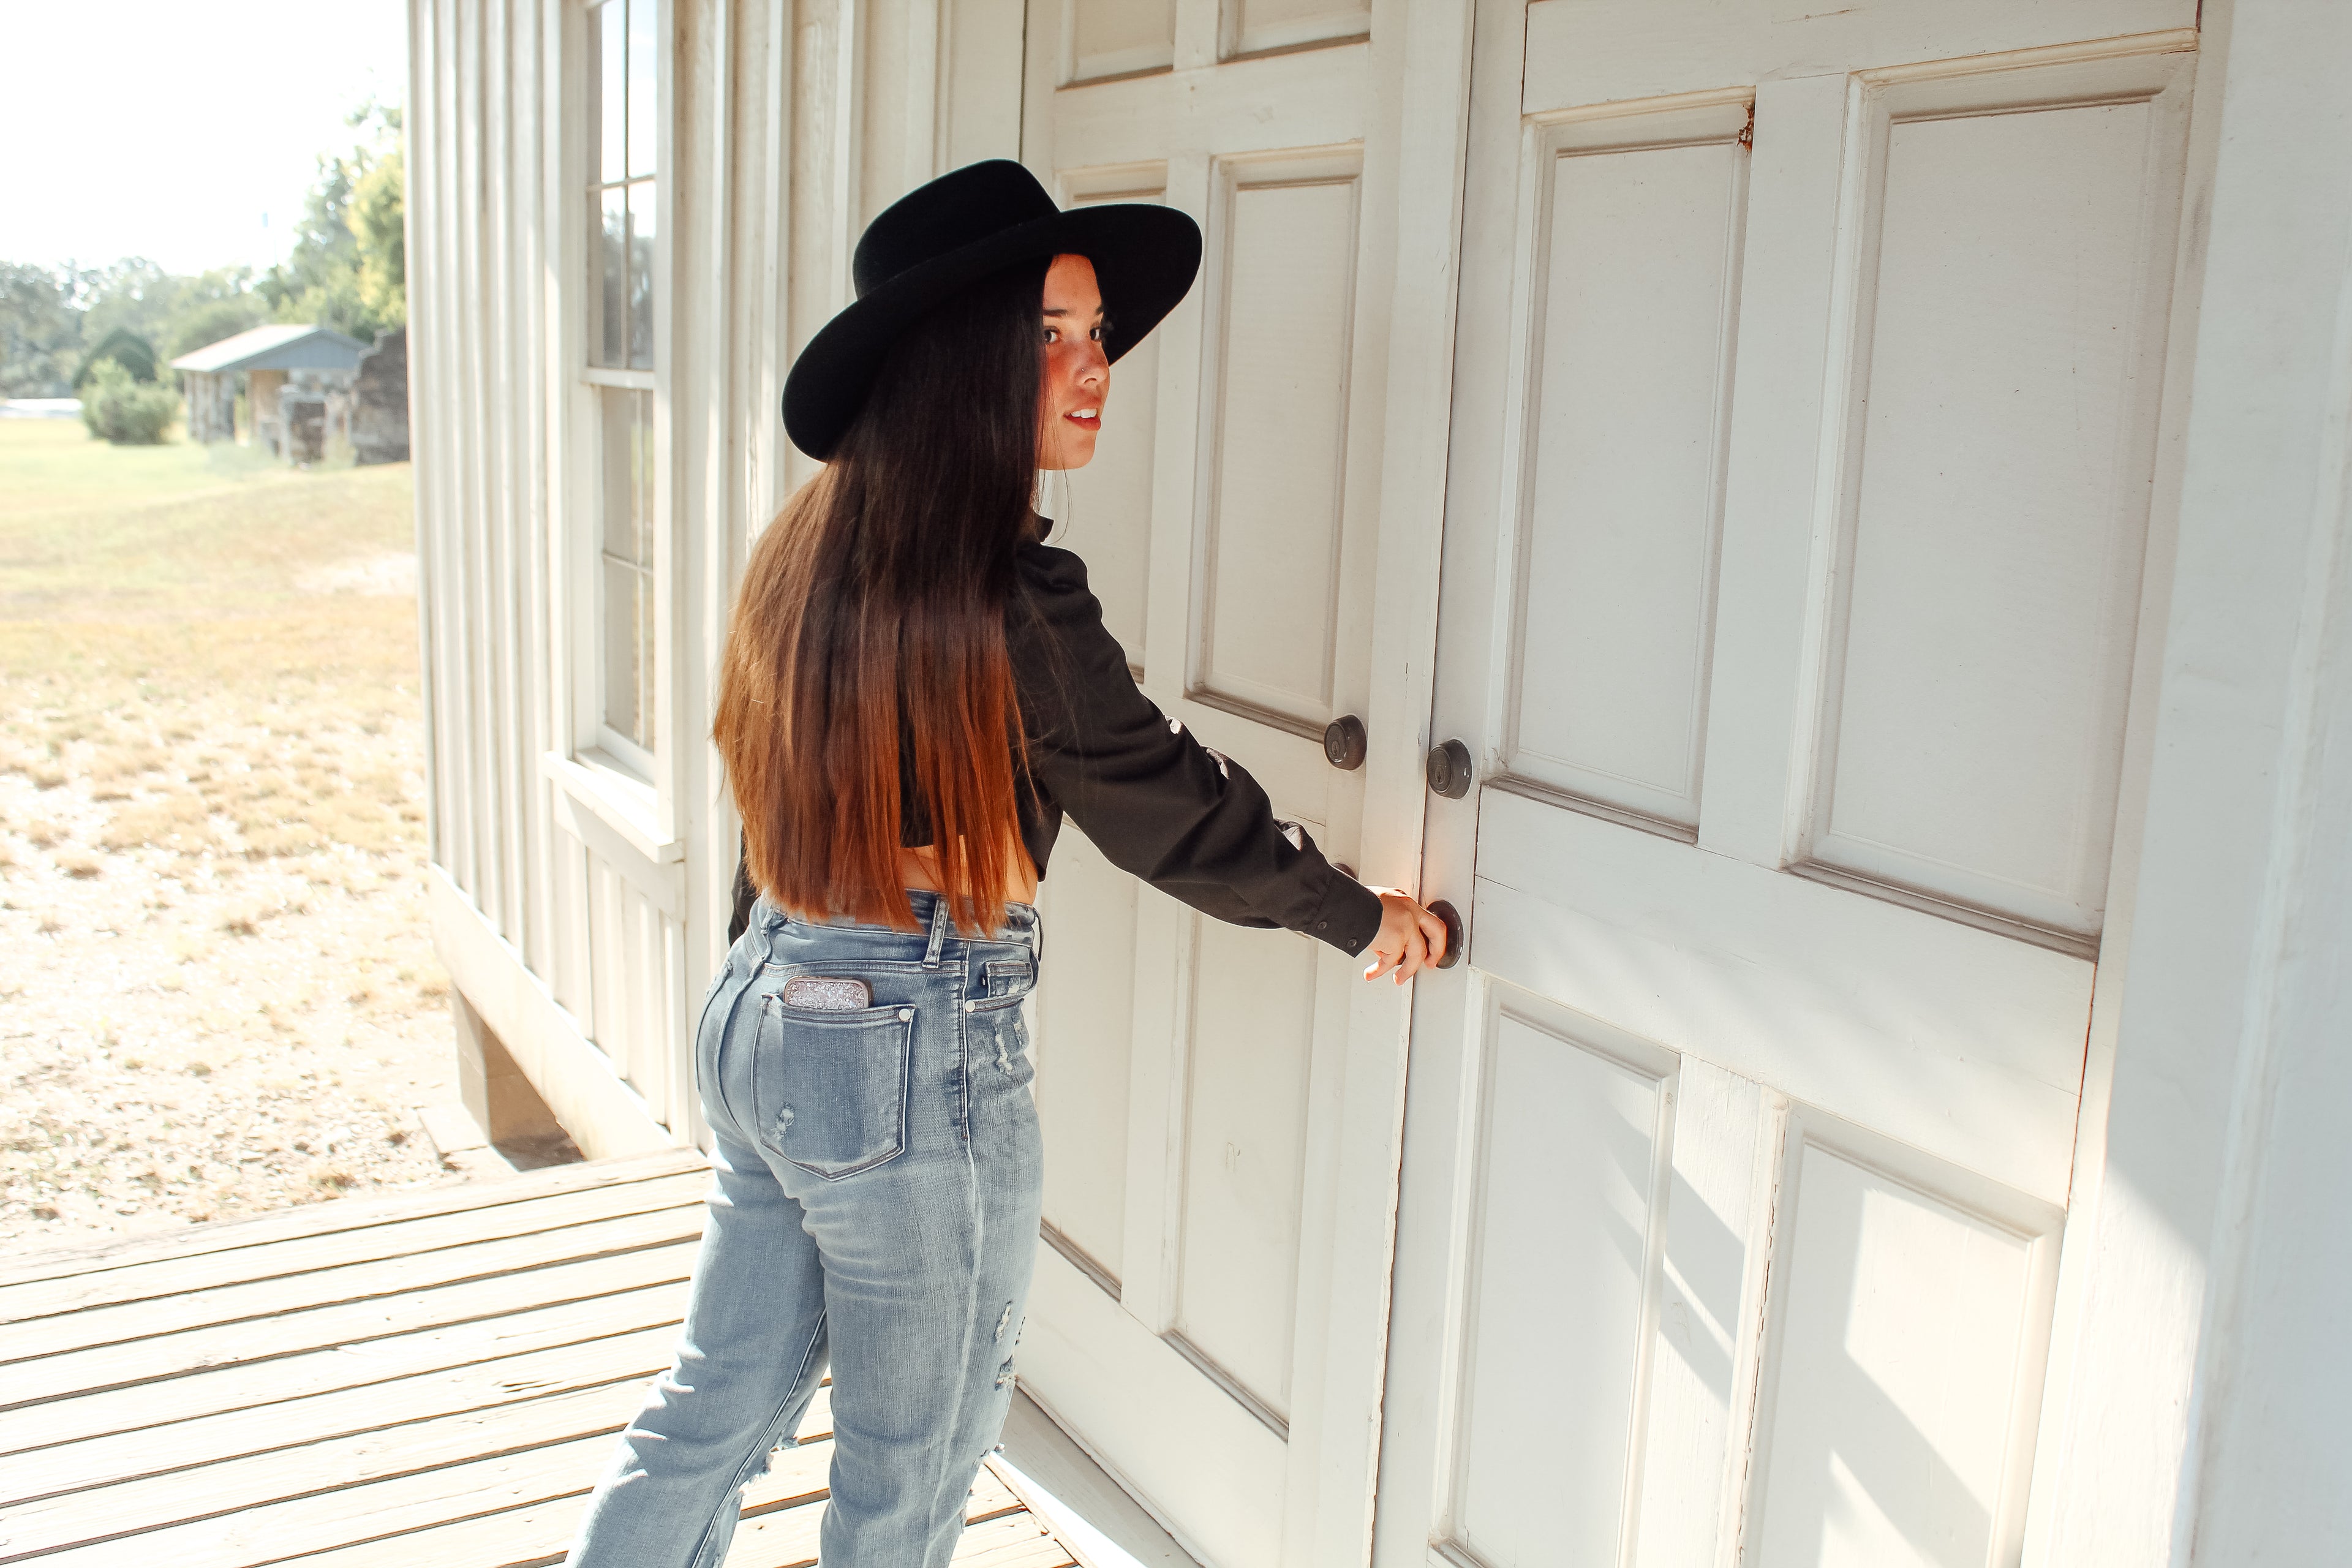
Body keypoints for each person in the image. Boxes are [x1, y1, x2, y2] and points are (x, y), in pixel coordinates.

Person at [562, 159, 1448, 1568]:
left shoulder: (807, 552)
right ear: (969, 357)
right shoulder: (1008, 591)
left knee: (704, 1418)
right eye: (1052, 334)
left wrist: (782, 976)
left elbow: (768, 801)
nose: (1093, 368)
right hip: (906, 1046)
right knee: (906, 1480)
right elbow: (1164, 802)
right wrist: (1360, 913)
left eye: (1096, 335)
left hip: (762, 998)